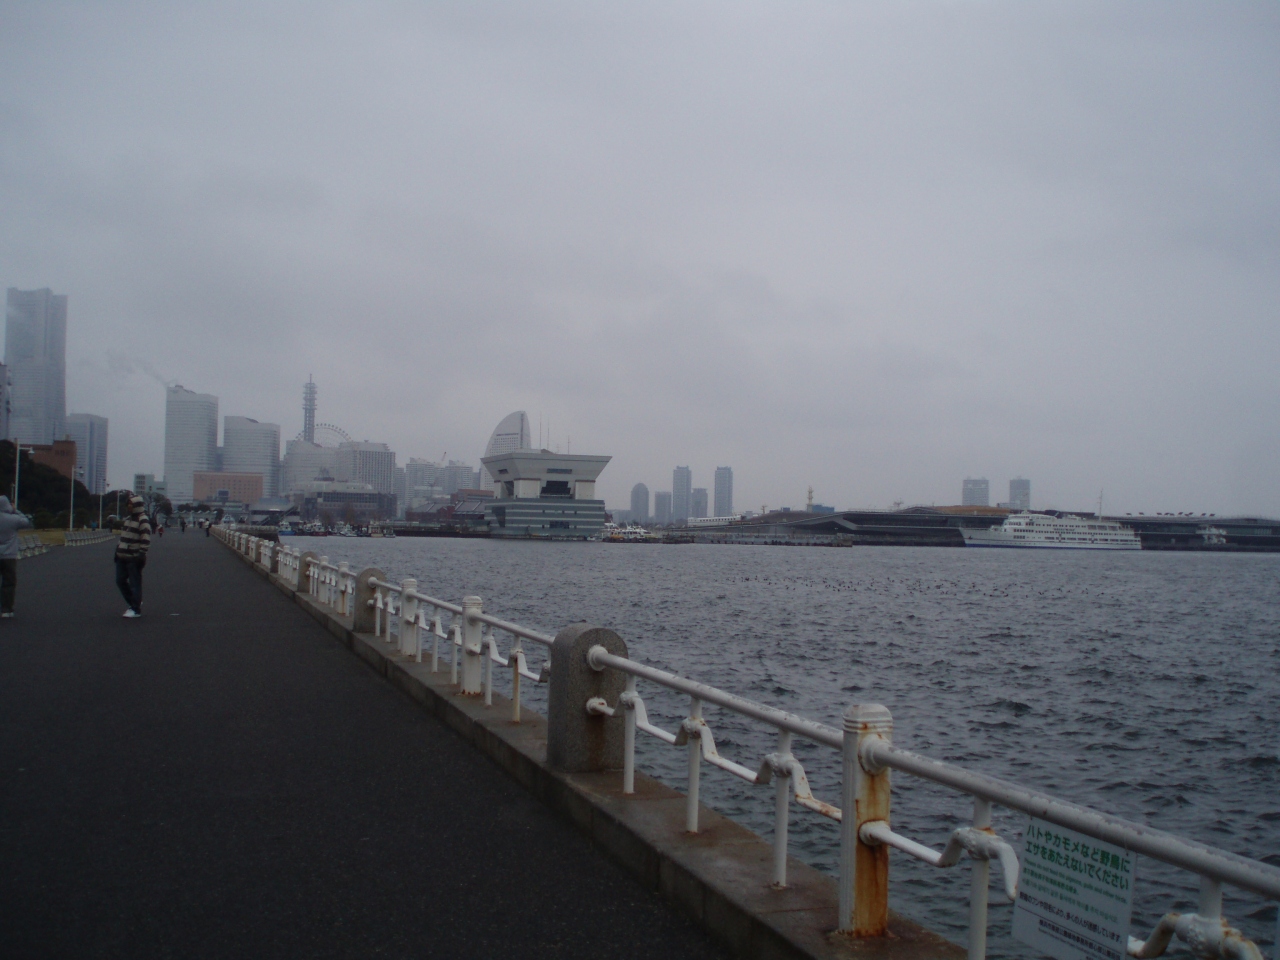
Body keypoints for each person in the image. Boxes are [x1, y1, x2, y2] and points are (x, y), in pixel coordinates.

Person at [115, 495, 152, 618]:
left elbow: (146, 538)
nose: (129, 507)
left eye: (131, 504)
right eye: (128, 504)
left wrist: (141, 554)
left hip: (134, 557)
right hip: (121, 556)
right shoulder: (128, 519)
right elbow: (123, 537)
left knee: (134, 583)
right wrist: (117, 551)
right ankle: (134, 601)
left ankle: (135, 609)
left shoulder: (143, 520)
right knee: (120, 580)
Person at [0, 496, 33, 618]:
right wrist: (15, 510)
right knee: (9, 582)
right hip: (9, 555)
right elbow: (27, 522)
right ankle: (6, 609)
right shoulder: (13, 519)